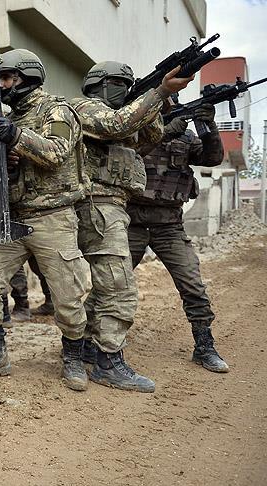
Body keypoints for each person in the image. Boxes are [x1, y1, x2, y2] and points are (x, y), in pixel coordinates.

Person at [0, 49, 93, 391]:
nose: (0, 85)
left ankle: (73, 358)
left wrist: (16, 137)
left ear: (25, 78)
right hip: (13, 220)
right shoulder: (7, 118)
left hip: (53, 218)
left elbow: (56, 153)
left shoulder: (56, 110)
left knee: (67, 296)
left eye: (5, 78)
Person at [70, 62, 193, 392]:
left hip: (113, 206)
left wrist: (156, 104)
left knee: (106, 283)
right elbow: (116, 125)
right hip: (97, 204)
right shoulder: (85, 108)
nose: (125, 89)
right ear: (99, 84)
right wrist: (159, 91)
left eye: (129, 84)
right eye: (120, 83)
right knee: (118, 285)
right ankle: (108, 361)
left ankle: (87, 345)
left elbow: (150, 138)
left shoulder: (122, 116)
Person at [128, 100, 229, 373]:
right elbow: (129, 151)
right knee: (111, 284)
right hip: (131, 222)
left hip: (169, 225)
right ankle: (88, 342)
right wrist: (162, 132)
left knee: (192, 284)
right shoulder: (133, 128)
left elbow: (212, 158)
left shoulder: (186, 136)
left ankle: (204, 346)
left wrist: (209, 126)